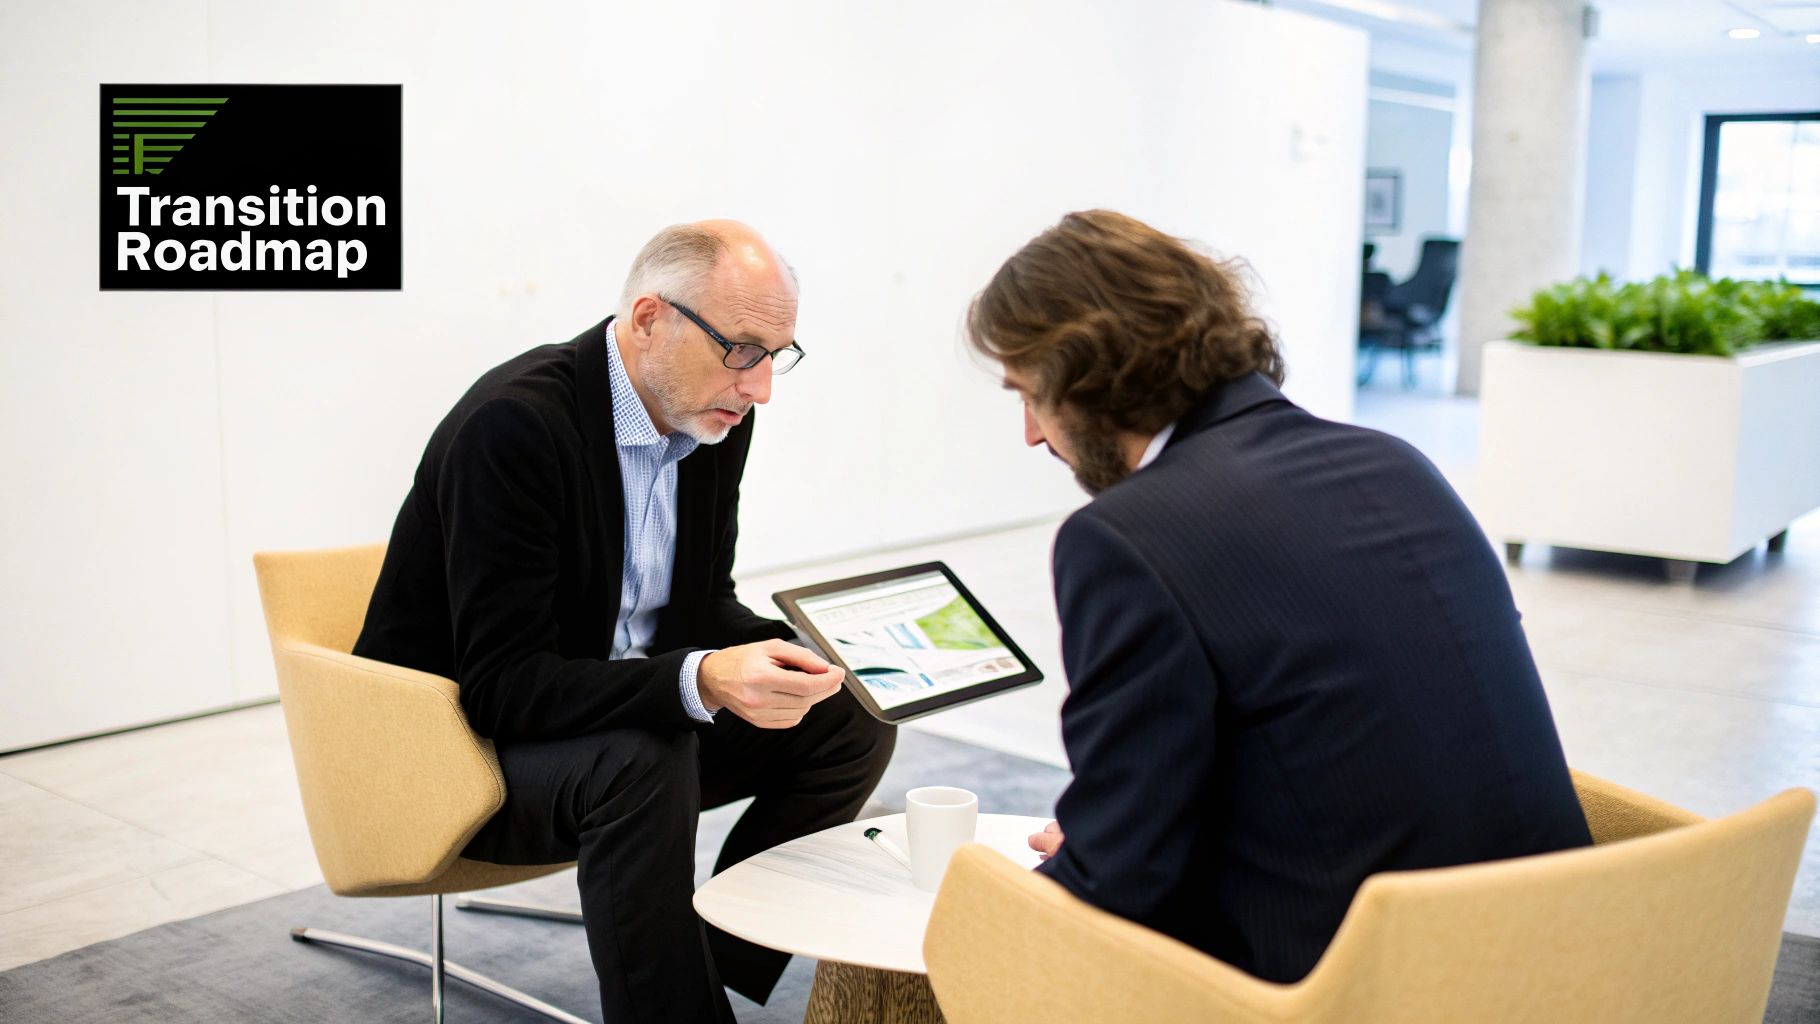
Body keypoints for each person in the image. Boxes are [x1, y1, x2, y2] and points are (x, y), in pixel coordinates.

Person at [968, 210, 1591, 984]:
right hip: (1565, 951)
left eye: (1028, 394)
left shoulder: (1129, 536)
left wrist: (1065, 872)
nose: (1031, 434)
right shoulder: (1396, 463)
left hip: (1358, 986)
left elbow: (1119, 885)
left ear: (1084, 371)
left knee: (967, 943)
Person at [353, 220, 896, 1023]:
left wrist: (802, 653)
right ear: (649, 320)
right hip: (461, 752)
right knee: (643, 756)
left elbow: (702, 603)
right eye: (741, 349)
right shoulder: (516, 428)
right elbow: (502, 690)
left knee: (847, 715)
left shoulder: (711, 415)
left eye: (776, 356)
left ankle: (703, 964)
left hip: (611, 724)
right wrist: (700, 677)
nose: (761, 387)